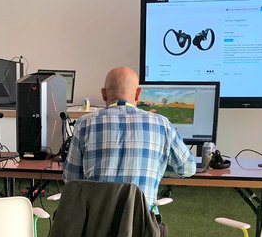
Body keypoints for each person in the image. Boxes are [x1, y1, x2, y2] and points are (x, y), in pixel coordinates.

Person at [63, 66, 196, 206]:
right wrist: (158, 165)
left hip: (95, 217)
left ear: (103, 94)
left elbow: (71, 179)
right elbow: (188, 169)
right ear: (138, 94)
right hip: (142, 218)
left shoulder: (84, 124)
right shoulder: (162, 124)